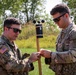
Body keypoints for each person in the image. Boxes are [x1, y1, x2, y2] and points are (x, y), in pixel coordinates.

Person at [40, 3, 76, 75]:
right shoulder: (61, 34)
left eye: (57, 19)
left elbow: (73, 56)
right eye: (54, 20)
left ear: (66, 15)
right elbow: (60, 56)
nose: (55, 22)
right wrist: (48, 56)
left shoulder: (74, 32)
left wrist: (51, 55)